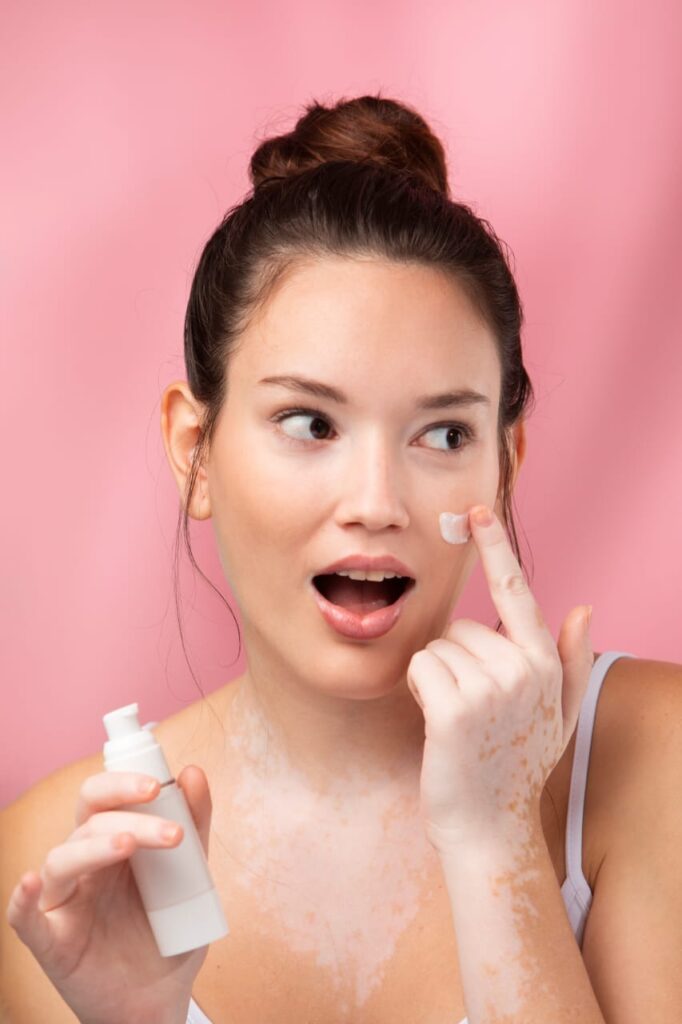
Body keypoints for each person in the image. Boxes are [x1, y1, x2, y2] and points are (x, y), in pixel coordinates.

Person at [2, 92, 680, 1024]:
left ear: (505, 463)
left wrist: (497, 847)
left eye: (443, 434)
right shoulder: (55, 862)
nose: (376, 505)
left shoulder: (653, 756)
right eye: (310, 423)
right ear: (194, 450)